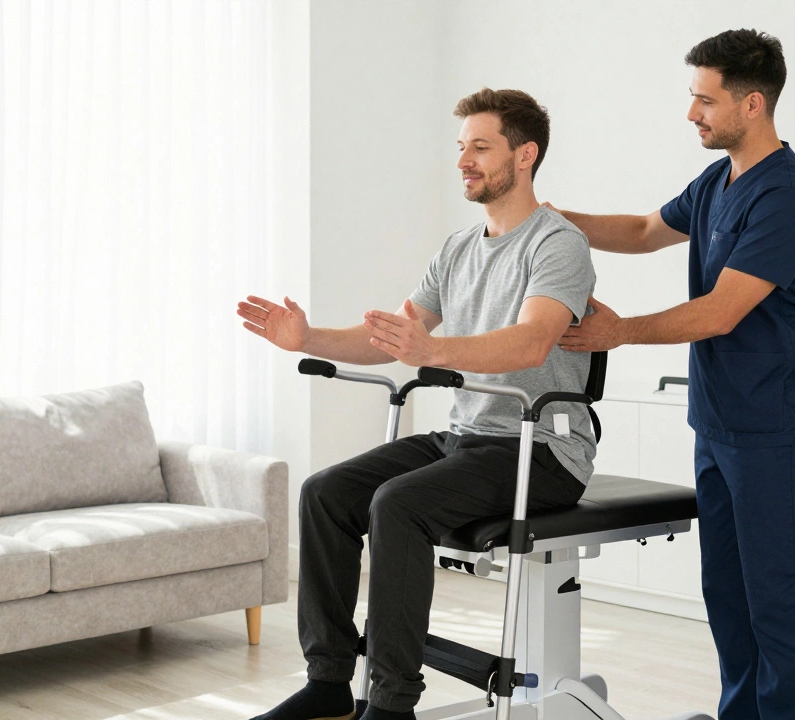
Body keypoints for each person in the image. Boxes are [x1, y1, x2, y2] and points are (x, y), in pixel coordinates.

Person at [236, 88, 596, 720]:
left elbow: (533, 341)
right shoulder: (457, 249)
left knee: (397, 505)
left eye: (481, 147)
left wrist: (434, 348)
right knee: (326, 493)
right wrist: (309, 336)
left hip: (540, 449)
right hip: (468, 439)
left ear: (525, 155)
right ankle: (327, 685)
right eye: (461, 148)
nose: (464, 160)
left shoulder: (557, 243)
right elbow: (394, 338)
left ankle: (392, 703)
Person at [550, 30, 795, 720]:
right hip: (718, 422)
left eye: (705, 101)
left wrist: (621, 331)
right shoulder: (719, 179)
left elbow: (721, 312)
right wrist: (551, 218)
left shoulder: (789, 195)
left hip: (775, 425)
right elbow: (647, 230)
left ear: (753, 104)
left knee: (778, 597)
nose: (692, 114)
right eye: (692, 98)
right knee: (729, 597)